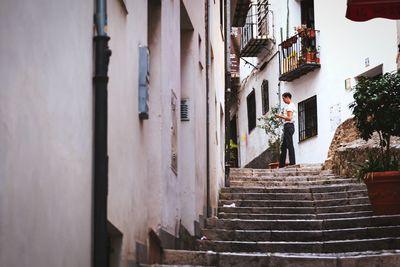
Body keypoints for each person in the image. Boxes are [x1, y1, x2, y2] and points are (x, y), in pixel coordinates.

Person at [275, 92, 296, 168]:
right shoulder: (292, 105)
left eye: (283, 98)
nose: (283, 100)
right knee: (283, 146)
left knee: (289, 145)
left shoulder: (290, 106)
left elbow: (289, 118)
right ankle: (281, 164)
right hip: (289, 126)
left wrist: (279, 116)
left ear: (287, 97)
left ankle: (292, 163)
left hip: (288, 126)